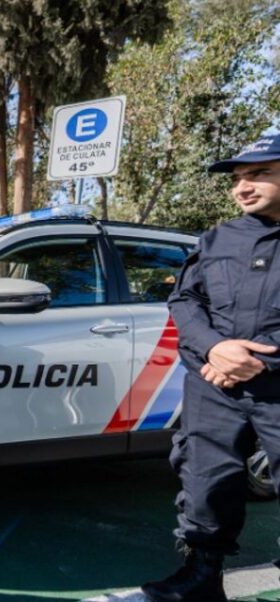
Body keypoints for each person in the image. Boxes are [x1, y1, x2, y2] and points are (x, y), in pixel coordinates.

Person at [142, 134, 280, 602]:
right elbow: (185, 298)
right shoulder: (219, 237)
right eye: (239, 178)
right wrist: (215, 348)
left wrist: (249, 360)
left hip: (275, 384)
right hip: (213, 383)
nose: (243, 187)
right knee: (205, 475)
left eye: (259, 173)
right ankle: (201, 577)